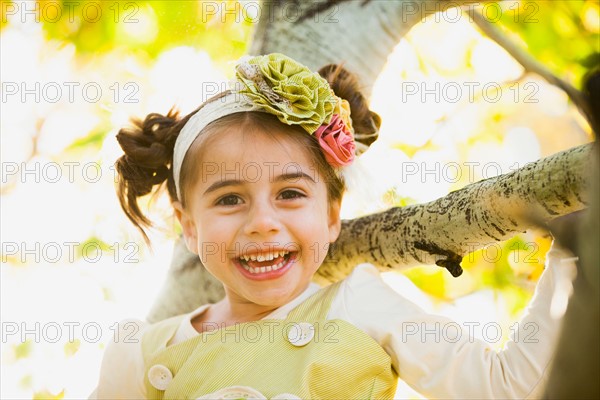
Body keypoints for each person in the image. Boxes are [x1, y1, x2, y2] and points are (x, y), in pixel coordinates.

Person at [91, 53, 577, 399]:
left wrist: (575, 252)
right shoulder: (145, 354)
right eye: (230, 198)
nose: (262, 222)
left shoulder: (353, 305)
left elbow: (507, 388)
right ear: (189, 226)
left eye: (290, 193)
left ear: (330, 214)